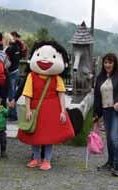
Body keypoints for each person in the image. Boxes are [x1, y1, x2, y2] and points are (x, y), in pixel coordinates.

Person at [18, 41, 75, 171]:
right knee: (35, 134)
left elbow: (61, 95)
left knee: (49, 136)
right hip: (35, 108)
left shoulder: (57, 78)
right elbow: (27, 94)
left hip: (52, 110)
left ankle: (47, 160)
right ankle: (36, 158)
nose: (44, 59)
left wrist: (62, 111)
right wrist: (27, 109)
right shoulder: (31, 76)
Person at [94, 53, 118, 177]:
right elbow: (97, 97)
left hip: (117, 111)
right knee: (109, 139)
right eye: (105, 62)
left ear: (114, 63)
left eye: (110, 62)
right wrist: (96, 114)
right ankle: (110, 163)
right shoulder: (100, 77)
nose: (107, 65)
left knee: (114, 137)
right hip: (106, 111)